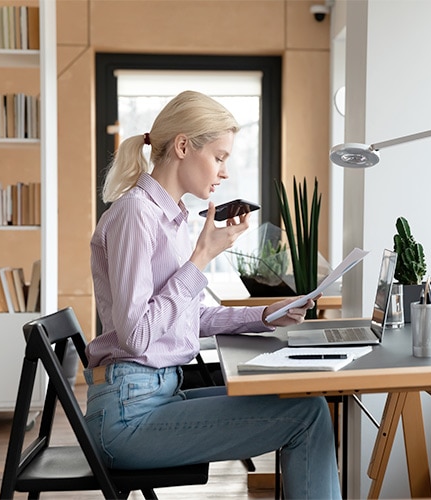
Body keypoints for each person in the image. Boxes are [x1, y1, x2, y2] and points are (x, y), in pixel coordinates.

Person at [84, 90, 341, 499]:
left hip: (157, 393)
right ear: (183, 146)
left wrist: (266, 315)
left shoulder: (172, 218)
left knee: (299, 397)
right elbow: (136, 336)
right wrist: (201, 258)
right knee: (307, 415)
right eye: (219, 157)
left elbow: (188, 316)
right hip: (128, 417)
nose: (223, 172)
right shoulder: (137, 214)